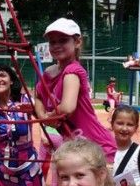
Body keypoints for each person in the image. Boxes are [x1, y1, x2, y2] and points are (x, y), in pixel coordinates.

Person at [34, 18, 116, 163]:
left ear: (77, 42)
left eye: (63, 40)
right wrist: (43, 116)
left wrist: (48, 117)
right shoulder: (49, 73)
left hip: (98, 147)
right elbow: (38, 95)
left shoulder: (73, 71)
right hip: (78, 147)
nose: (57, 46)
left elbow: (67, 107)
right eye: (52, 42)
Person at [111, 105, 140, 186]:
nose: (124, 128)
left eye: (130, 125)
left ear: (136, 127)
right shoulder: (103, 150)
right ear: (112, 124)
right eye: (120, 123)